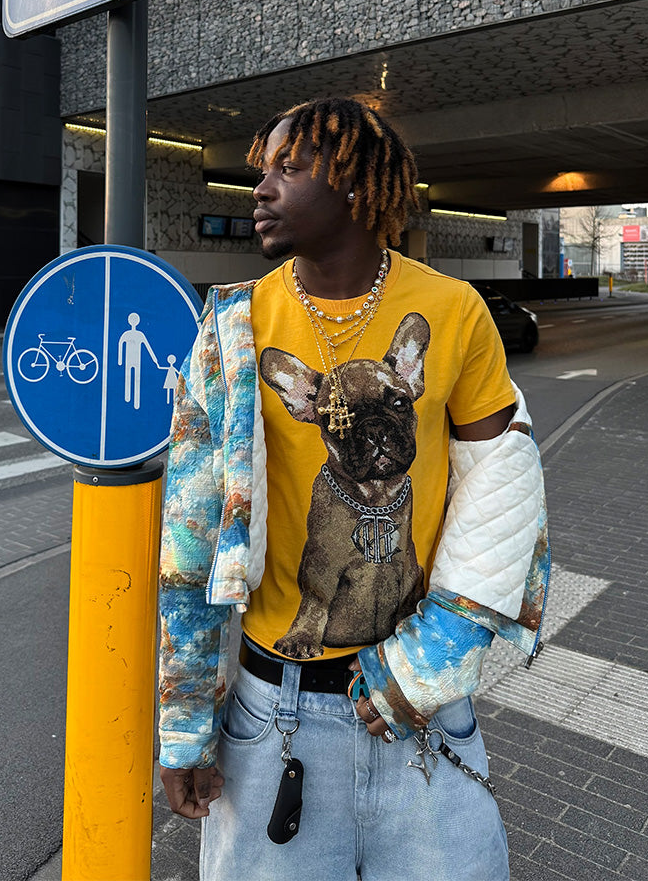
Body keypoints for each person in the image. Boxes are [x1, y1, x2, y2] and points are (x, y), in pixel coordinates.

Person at [158, 98, 549, 881]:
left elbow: (506, 496)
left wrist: (428, 667)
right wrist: (185, 723)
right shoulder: (234, 325)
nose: (260, 188)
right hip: (276, 715)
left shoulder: (453, 310)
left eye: (289, 168)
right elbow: (191, 539)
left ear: (354, 183)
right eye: (260, 169)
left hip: (421, 714)